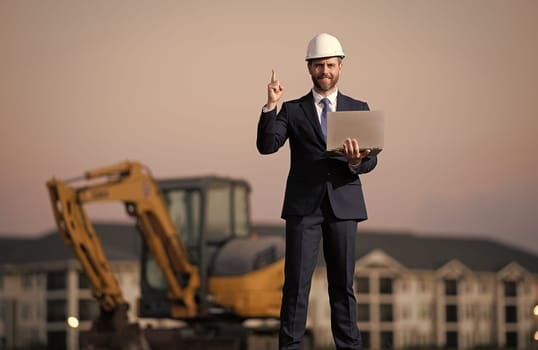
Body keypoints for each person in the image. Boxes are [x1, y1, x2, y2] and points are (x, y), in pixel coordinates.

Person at [256, 33, 378, 350]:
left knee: (342, 285)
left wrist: (356, 161)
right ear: (309, 68)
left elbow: (371, 160)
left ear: (340, 66)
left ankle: (349, 347)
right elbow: (267, 146)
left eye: (331, 65)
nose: (325, 71)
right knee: (296, 285)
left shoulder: (358, 108)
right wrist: (271, 104)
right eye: (319, 65)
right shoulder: (292, 110)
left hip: (344, 205)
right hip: (303, 208)